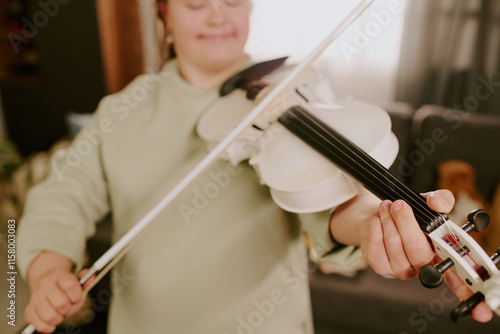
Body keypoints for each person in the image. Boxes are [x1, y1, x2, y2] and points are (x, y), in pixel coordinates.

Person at [17, 0, 493, 333]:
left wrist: (381, 223)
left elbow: (336, 205)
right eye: (196, 4)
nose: (219, 15)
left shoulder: (299, 89)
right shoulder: (119, 111)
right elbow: (61, 194)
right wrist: (46, 270)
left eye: (232, 0)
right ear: (164, 13)